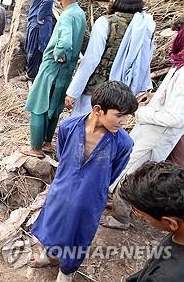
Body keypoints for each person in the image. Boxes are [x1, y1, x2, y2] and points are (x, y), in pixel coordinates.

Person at [29, 81, 138, 282]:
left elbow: (113, 173)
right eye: (119, 115)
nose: (124, 121)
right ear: (98, 110)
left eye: (127, 115)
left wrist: (91, 186)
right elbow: (63, 157)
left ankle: (66, 273)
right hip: (61, 191)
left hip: (90, 200)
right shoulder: (69, 127)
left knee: (78, 237)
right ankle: (51, 257)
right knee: (53, 226)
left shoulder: (123, 143)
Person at [102, 16, 184, 230]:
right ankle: (123, 208)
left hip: (157, 135)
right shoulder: (179, 66)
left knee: (129, 173)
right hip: (151, 131)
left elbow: (175, 118)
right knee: (128, 169)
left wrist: (143, 112)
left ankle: (121, 217)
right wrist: (154, 98)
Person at [65, 0, 155, 117]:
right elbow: (145, 60)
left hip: (96, 92)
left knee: (86, 127)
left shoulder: (105, 22)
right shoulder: (146, 25)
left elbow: (91, 60)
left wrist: (73, 92)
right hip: (123, 93)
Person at [23, 0, 86, 158]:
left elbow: (65, 42)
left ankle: (35, 148)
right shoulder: (79, 13)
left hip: (52, 68)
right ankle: (47, 143)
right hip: (65, 71)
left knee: (38, 106)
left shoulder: (67, 16)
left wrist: (59, 55)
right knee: (54, 107)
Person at [118, 161, 184, 282]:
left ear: (170, 223)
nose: (140, 217)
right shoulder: (179, 233)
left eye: (142, 216)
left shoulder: (167, 277)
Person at [20, 0, 54, 82]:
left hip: (38, 23)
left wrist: (40, 16)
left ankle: (31, 75)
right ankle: (37, 74)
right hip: (42, 23)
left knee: (33, 49)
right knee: (39, 49)